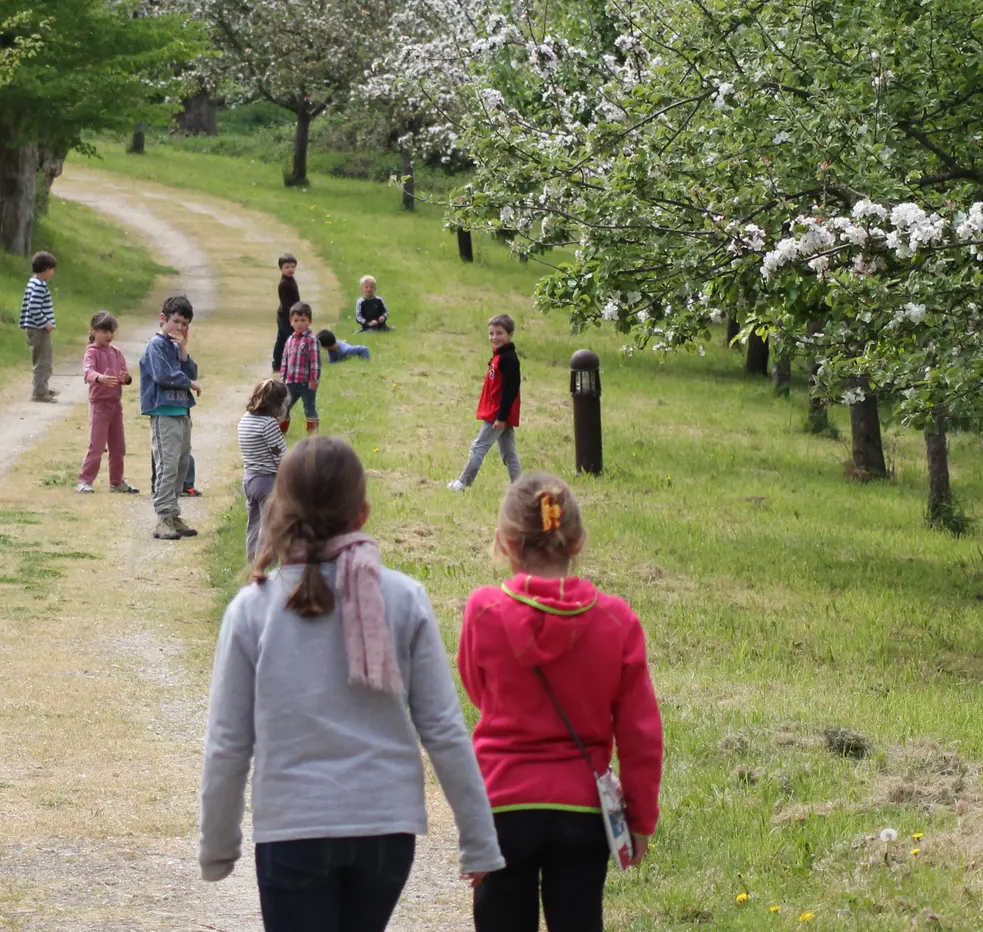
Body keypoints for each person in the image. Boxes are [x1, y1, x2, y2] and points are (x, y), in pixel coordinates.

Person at [199, 438, 506, 930]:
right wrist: (479, 841)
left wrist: (218, 845)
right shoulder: (404, 597)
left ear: (278, 509)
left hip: (292, 830)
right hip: (385, 831)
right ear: (362, 514)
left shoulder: (252, 610)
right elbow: (444, 730)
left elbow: (228, 744)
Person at [458, 474, 662, 932]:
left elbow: (477, 689)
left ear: (506, 542)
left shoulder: (484, 610)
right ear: (579, 541)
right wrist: (641, 817)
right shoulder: (617, 620)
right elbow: (640, 734)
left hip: (503, 807)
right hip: (582, 808)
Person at [140, 295, 201, 540]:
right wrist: (190, 383)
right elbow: (164, 376)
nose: (180, 328)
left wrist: (184, 349)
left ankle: (174, 513)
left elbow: (191, 370)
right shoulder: (156, 346)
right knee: (167, 465)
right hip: (163, 413)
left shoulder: (175, 347)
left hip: (181, 412)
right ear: (163, 319)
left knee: (180, 465)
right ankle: (163, 517)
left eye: (185, 324)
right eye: (176, 321)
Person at [449, 315, 521, 491]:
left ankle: (462, 483)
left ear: (509, 335)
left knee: (478, 447)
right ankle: (521, 488)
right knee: (508, 453)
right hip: (496, 412)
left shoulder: (509, 359)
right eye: (491, 333)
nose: (494, 337)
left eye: (499, 333)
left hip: (497, 414)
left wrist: (501, 416)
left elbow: (510, 390)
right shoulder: (498, 356)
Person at [79, 311, 138, 494]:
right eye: (104, 331)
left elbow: (125, 376)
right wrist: (100, 378)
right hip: (99, 405)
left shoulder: (116, 352)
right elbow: (88, 372)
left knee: (118, 446)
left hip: (115, 405)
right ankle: (85, 480)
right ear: (93, 331)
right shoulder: (92, 352)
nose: (109, 335)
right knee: (96, 446)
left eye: (111, 331)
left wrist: (126, 378)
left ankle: (117, 481)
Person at [237, 378, 289, 563]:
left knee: (254, 525)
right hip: (267, 481)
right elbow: (280, 455)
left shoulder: (245, 420)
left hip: (250, 479)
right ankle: (268, 566)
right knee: (271, 528)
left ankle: (251, 565)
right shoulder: (268, 424)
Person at [20, 251, 59, 402]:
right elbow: (33, 308)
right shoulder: (39, 285)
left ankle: (42, 386)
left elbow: (28, 306)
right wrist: (46, 323)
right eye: (52, 269)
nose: (52, 273)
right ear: (46, 269)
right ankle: (40, 392)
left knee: (42, 359)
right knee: (44, 361)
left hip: (33, 328)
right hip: (39, 329)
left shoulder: (33, 282)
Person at [280, 302, 321, 436]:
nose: (299, 324)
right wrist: (283, 378)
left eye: (303, 320)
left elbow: (315, 362)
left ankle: (313, 434)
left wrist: (313, 379)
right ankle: (281, 432)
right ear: (291, 322)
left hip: (306, 383)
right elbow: (285, 360)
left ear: (310, 321)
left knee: (309, 407)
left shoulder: (311, 340)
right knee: (284, 407)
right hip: (291, 382)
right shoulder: (290, 340)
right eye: (296, 320)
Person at [273, 254, 301, 372]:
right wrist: (292, 316)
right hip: (285, 316)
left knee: (282, 339)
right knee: (288, 339)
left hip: (290, 314)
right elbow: (285, 303)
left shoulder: (290, 280)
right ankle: (281, 363)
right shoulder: (284, 284)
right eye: (287, 267)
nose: (290, 269)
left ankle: (279, 362)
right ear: (281, 269)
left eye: (292, 267)